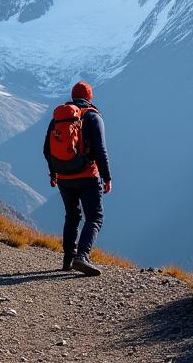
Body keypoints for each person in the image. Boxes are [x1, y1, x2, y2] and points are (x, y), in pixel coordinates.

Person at [43, 81, 112, 276]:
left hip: (64, 177)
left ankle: (68, 259)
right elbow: (101, 151)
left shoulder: (58, 118)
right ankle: (82, 257)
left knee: (72, 216)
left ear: (73, 97)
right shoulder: (92, 116)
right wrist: (107, 177)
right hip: (88, 176)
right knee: (95, 217)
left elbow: (47, 150)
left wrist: (54, 173)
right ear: (89, 97)